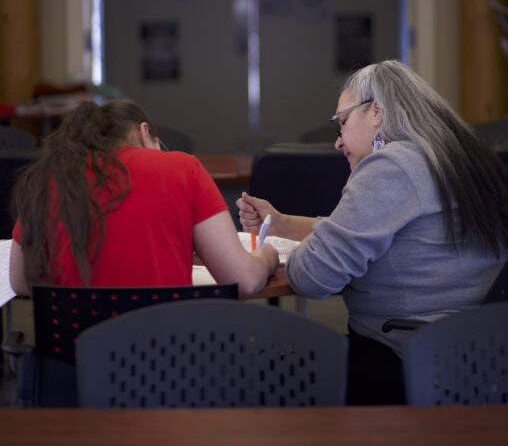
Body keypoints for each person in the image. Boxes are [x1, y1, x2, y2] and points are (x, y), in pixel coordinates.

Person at [237, 60, 508, 405]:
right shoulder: (453, 155)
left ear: (377, 112)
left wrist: (271, 254)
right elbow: (371, 230)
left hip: (402, 360)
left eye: (343, 123)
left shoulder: (392, 165)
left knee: (261, 379)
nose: (337, 143)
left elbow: (313, 277)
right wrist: (283, 224)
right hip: (467, 357)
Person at [10, 99, 278, 298]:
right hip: (164, 360)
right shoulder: (182, 168)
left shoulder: (50, 177)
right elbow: (243, 280)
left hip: (75, 362)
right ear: (144, 131)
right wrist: (266, 256)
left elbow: (20, 281)